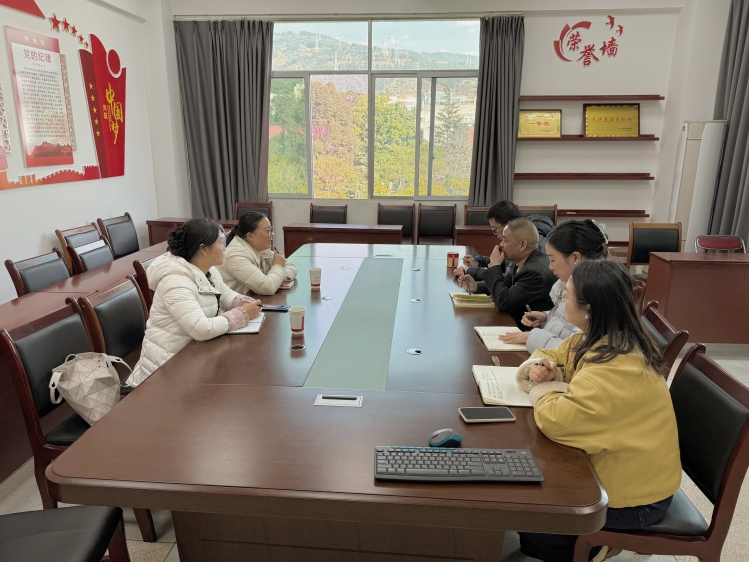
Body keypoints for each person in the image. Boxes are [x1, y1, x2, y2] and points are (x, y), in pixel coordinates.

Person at [518, 260, 681, 562]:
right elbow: (551, 353)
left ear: (589, 309)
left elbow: (556, 422)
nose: (561, 301)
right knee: (531, 500)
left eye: (566, 296)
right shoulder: (603, 336)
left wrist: (543, 387)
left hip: (636, 501)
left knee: (536, 529)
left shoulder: (613, 370)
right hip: (632, 472)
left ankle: (605, 546)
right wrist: (543, 367)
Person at [129, 219, 262, 386]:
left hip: (193, 355)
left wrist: (243, 302)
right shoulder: (175, 282)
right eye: (220, 243)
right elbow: (201, 328)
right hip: (165, 370)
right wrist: (240, 315)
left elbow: (225, 294)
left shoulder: (208, 270)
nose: (224, 248)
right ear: (204, 249)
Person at [498, 220, 608, 353]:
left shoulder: (593, 297)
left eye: (553, 260)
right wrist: (547, 317)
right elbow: (567, 324)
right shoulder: (569, 285)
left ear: (575, 258)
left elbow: (576, 351)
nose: (550, 267)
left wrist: (532, 337)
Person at [458, 218, 558, 329]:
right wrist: (477, 286)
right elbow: (505, 284)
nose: (501, 244)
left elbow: (504, 303)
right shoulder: (523, 260)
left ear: (522, 245)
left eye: (505, 240)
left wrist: (494, 265)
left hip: (531, 330)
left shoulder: (535, 272)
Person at [455, 201, 554, 281]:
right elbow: (508, 264)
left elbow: (507, 280)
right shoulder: (523, 233)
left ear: (508, 225)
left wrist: (472, 272)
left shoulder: (532, 243)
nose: (495, 234)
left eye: (495, 229)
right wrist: (481, 262)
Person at [218, 212, 297, 296]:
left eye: (271, 230)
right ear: (250, 236)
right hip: (235, 303)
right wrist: (278, 266)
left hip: (252, 299)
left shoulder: (259, 247)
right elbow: (267, 287)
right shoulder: (235, 255)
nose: (272, 235)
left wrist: (277, 278)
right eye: (268, 231)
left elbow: (291, 267)